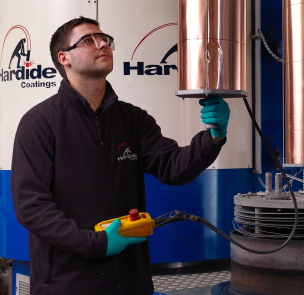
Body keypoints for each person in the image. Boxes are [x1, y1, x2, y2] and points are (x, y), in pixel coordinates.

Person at [11, 17, 231, 295]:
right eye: (88, 40)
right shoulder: (39, 123)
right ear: (63, 57)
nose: (103, 43)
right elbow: (31, 206)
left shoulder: (132, 119)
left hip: (131, 282)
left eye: (105, 39)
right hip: (68, 284)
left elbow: (173, 168)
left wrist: (213, 137)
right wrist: (97, 242)